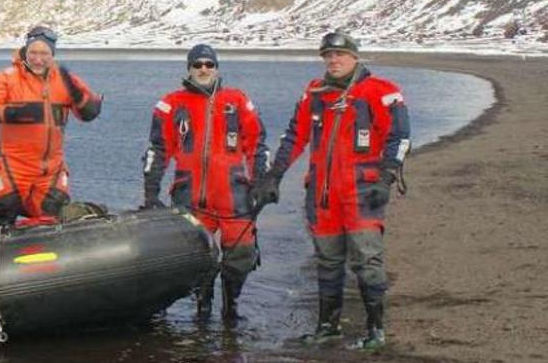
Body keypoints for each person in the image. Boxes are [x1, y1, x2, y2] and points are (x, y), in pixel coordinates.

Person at [250, 30, 411, 350]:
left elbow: (400, 137)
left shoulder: (382, 92)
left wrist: (386, 178)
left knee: (367, 259)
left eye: (340, 55)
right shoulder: (314, 93)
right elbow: (294, 136)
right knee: (327, 259)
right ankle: (328, 326)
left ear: (355, 57)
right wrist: (274, 176)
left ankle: (376, 330)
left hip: (361, 190)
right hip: (322, 193)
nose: (334, 60)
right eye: (328, 56)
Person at [142, 43, 269, 325]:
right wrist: (151, 193)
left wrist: (261, 183)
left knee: (242, 255)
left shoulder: (237, 100)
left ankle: (231, 306)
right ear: (189, 68)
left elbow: (258, 145)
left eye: (208, 65)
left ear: (217, 68)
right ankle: (202, 307)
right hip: (191, 196)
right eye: (197, 65)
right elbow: (157, 150)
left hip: (234, 195)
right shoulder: (171, 103)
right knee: (197, 258)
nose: (203, 69)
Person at [0, 25, 102, 227]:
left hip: (52, 169)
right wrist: (13, 113)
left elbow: (90, 112)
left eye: (44, 53)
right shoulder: (8, 77)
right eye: (33, 52)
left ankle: (46, 251)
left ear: (52, 54)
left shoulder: (65, 79)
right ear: (25, 51)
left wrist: (81, 99)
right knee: (2, 207)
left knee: (54, 213)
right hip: (14, 166)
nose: (38, 59)